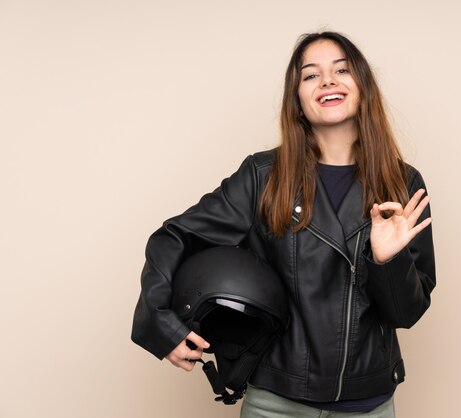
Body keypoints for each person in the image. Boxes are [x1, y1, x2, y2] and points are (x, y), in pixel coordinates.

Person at [131, 31, 436, 417]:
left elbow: (406, 314)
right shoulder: (262, 176)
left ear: (362, 86)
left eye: (341, 70)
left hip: (368, 404)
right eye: (310, 75)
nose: (327, 80)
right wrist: (162, 325)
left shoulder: (402, 183)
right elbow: (175, 236)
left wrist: (386, 261)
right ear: (297, 100)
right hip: (276, 402)